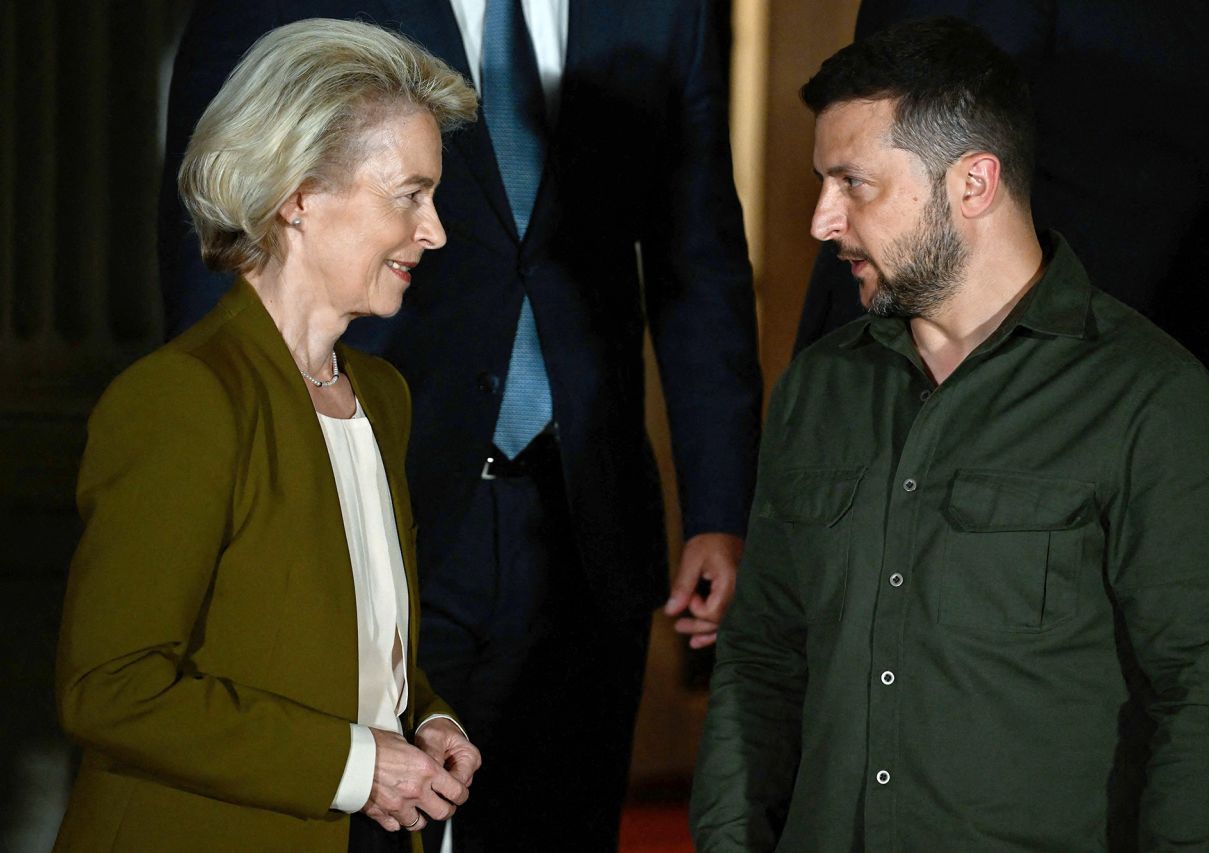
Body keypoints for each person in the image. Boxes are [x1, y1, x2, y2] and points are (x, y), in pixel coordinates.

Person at [160, 2, 761, 850]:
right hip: (355, 504)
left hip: (586, 522)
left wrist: (721, 508)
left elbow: (698, 256)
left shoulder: (664, 13)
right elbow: (212, 243)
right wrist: (240, 499)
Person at [691, 18, 1209, 852]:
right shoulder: (818, 390)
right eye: (824, 183)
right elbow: (761, 665)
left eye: (854, 183)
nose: (822, 220)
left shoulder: (1155, 405)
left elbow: (1207, 708)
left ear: (974, 182)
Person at [55, 19, 481, 853]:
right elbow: (111, 687)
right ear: (297, 195)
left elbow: (351, 643)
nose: (434, 231)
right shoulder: (184, 397)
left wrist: (422, 718)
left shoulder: (382, 396)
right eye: (410, 195)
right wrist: (363, 766)